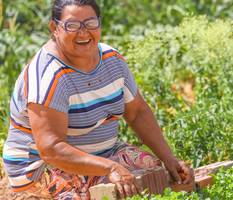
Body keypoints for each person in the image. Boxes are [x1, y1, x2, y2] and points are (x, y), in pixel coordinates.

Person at [2, 0, 193, 199]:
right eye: (72, 25)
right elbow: (52, 149)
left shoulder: (112, 60)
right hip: (42, 168)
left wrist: (169, 159)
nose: (83, 32)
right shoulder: (49, 75)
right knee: (112, 189)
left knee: (155, 172)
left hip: (103, 154)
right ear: (54, 28)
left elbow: (136, 113)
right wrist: (109, 168)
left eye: (90, 23)